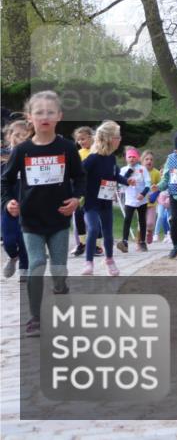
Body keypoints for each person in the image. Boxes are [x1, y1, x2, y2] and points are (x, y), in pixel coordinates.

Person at [1, 91, 85, 337]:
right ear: (30, 117)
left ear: (59, 116)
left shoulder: (67, 148)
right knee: (36, 264)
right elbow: (5, 182)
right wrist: (9, 202)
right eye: (39, 112)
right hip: (31, 219)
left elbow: (80, 177)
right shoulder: (22, 151)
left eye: (50, 112)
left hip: (59, 218)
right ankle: (35, 317)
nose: (44, 116)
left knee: (58, 269)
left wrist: (76, 199)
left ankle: (61, 291)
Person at [80, 121, 132, 275]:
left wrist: (126, 181)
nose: (120, 139)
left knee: (108, 233)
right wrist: (76, 192)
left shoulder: (111, 158)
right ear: (109, 138)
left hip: (106, 201)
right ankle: (88, 262)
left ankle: (109, 260)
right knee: (94, 228)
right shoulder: (93, 158)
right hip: (91, 202)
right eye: (118, 136)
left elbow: (115, 175)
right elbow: (78, 173)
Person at [2, 120, 31, 281]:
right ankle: (13, 257)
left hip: (27, 206)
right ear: (9, 136)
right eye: (16, 135)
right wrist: (7, 202)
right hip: (7, 205)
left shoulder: (31, 156)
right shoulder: (3, 159)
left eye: (24, 135)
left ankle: (24, 269)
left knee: (23, 238)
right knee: (9, 240)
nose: (19, 138)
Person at [119, 147, 151, 251]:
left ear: (137, 158)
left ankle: (142, 242)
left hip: (142, 199)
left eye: (134, 157)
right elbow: (120, 184)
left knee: (142, 220)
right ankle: (124, 242)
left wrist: (143, 193)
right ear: (126, 158)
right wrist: (127, 175)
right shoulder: (123, 170)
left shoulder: (142, 169)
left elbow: (148, 183)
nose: (132, 159)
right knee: (127, 220)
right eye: (129, 157)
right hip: (130, 199)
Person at [71, 126, 95, 257]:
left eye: (83, 139)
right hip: (81, 189)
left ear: (91, 138)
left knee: (93, 217)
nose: (81, 141)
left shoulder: (96, 151)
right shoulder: (78, 153)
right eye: (78, 139)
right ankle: (81, 243)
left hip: (94, 188)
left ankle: (97, 245)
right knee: (78, 215)